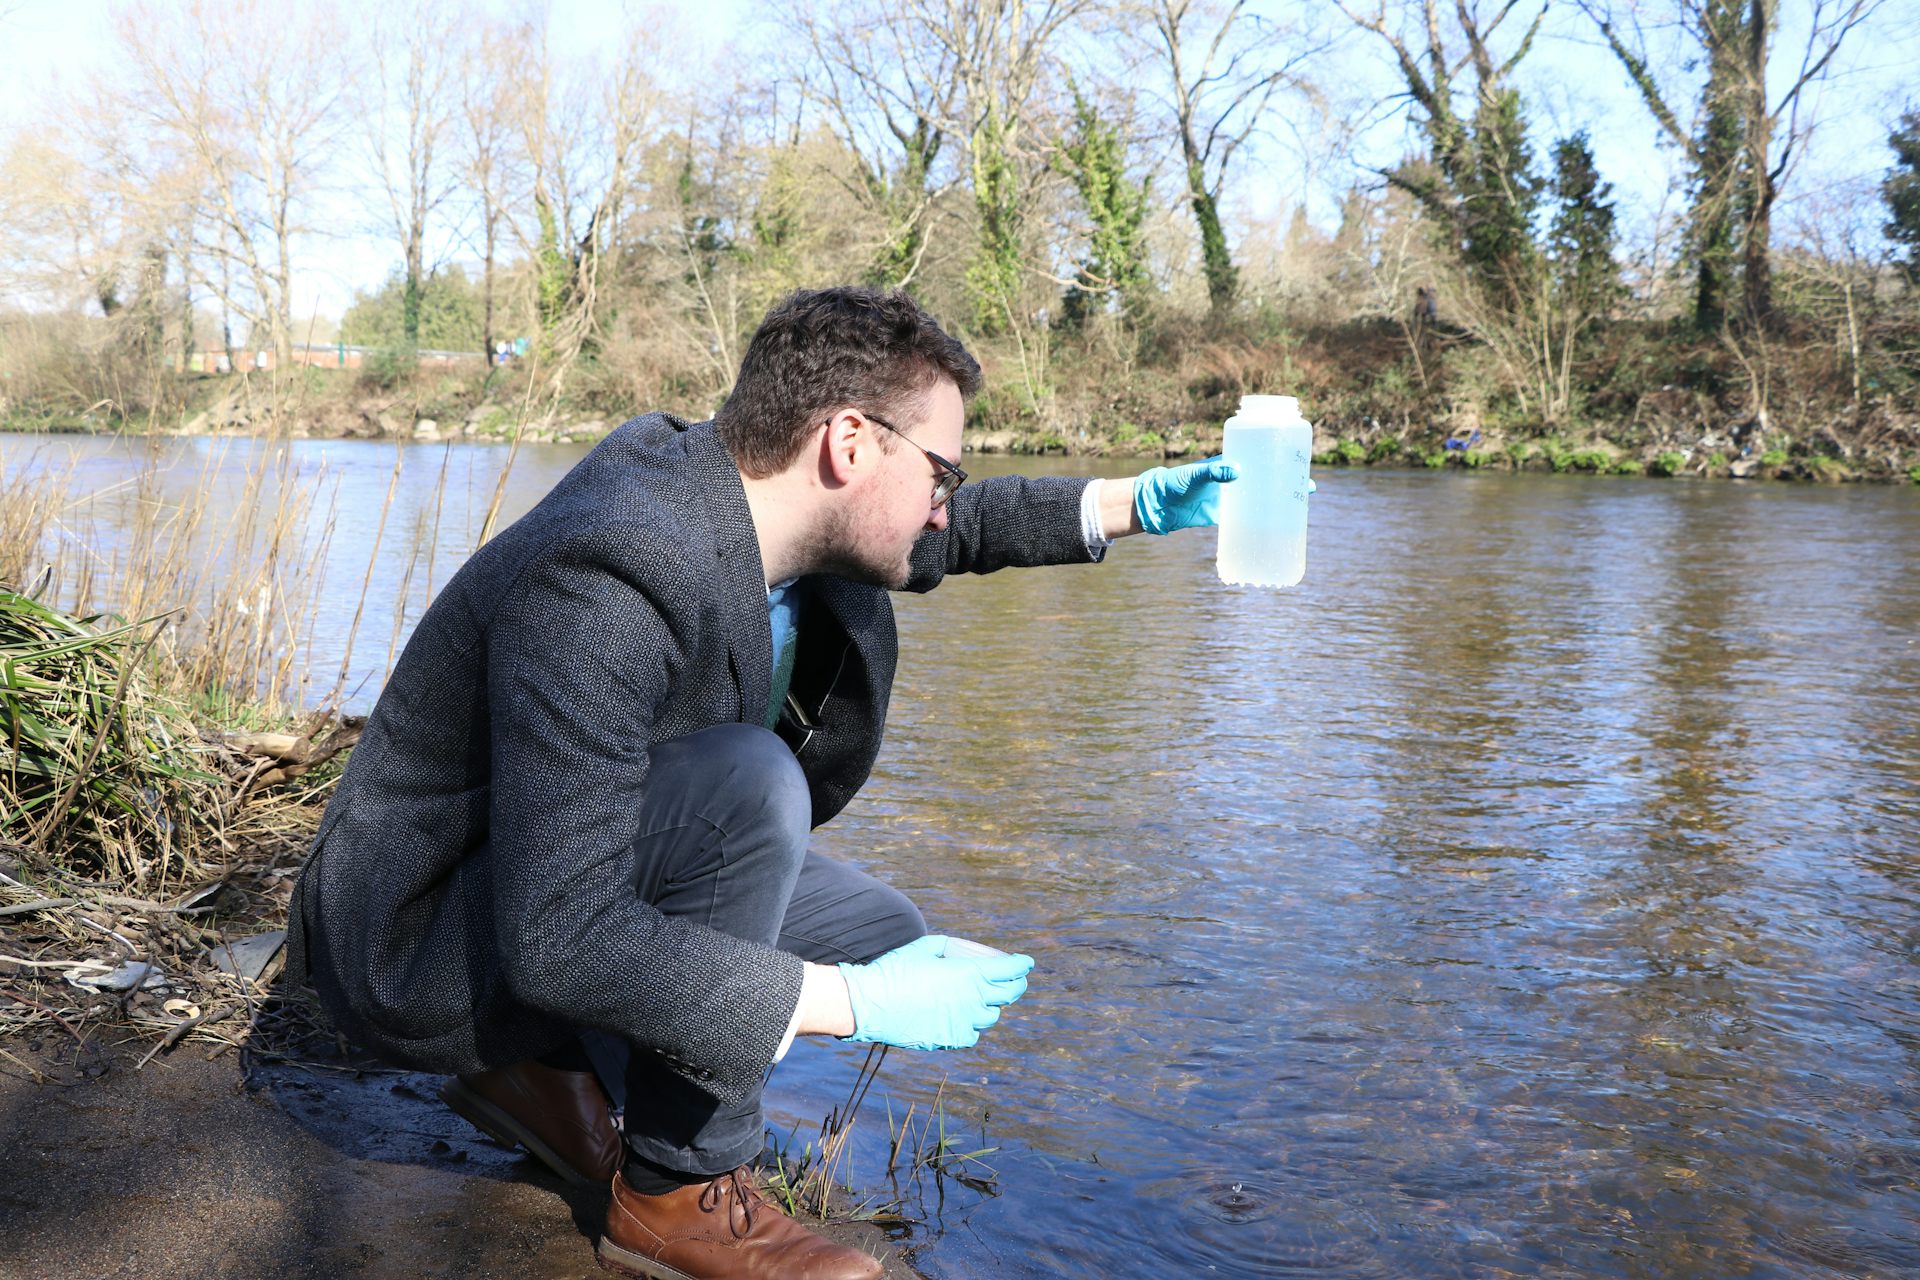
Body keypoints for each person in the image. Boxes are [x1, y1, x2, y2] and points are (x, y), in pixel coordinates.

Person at [287, 286, 1235, 1280]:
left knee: (875, 928)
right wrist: (844, 1004)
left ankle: (534, 1070)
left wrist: (1132, 503)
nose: (947, 497)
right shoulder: (615, 565)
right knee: (754, 787)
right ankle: (673, 1190)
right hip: (419, 935)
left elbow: (952, 534)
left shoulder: (777, 513)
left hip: (539, 883)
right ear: (851, 444)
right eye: (941, 468)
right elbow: (563, 931)